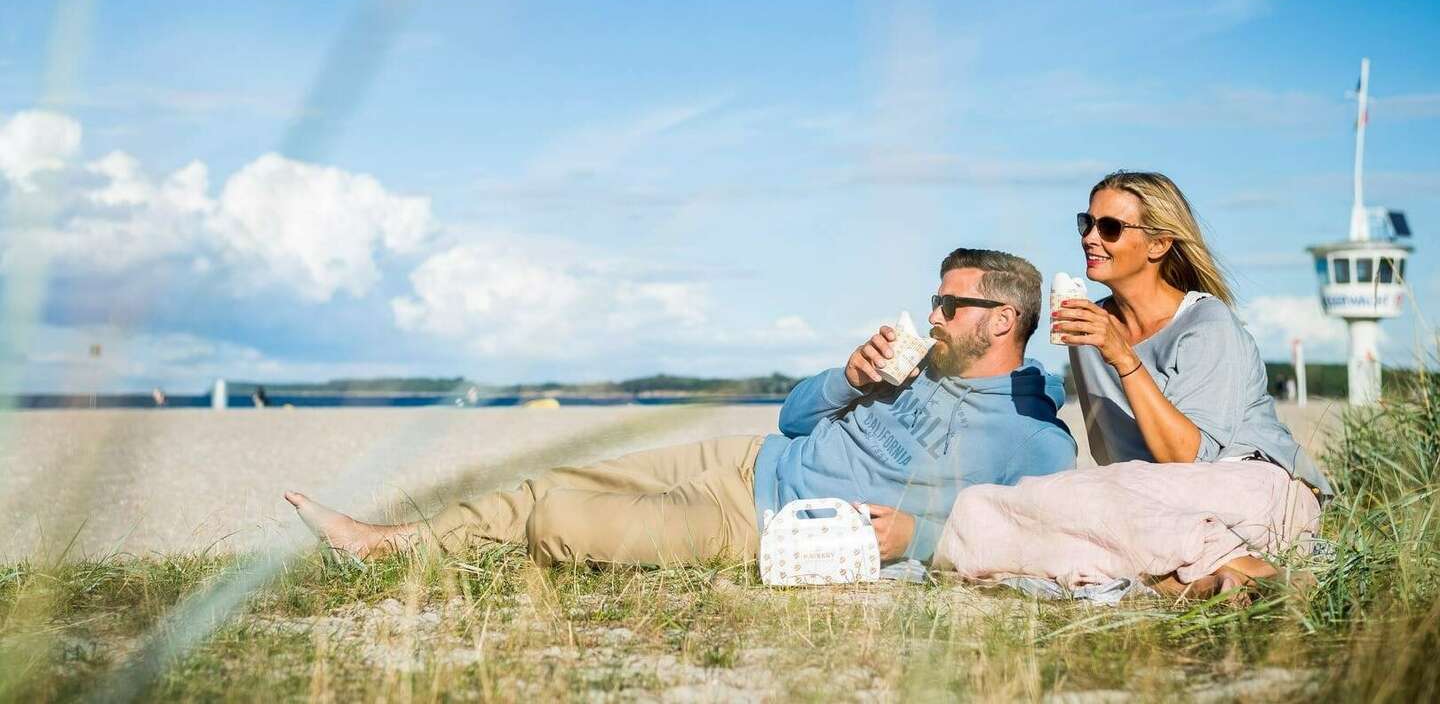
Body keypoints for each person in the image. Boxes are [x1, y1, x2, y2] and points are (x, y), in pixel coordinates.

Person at [286, 248, 1076, 568]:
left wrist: (917, 538)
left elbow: (1036, 539)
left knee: (562, 516)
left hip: (763, 526)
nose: (932, 315)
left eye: (948, 303)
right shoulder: (912, 369)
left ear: (1002, 319)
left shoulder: (1031, 434)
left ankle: (442, 552)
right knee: (548, 481)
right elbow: (792, 419)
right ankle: (387, 544)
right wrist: (849, 378)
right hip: (749, 459)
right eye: (933, 299)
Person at [934, 171, 1329, 599]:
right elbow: (1111, 455)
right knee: (974, 510)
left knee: (1073, 500)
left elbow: (1190, 457)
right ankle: (1195, 580)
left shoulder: (1206, 324)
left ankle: (1241, 570)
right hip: (1153, 504)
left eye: (1110, 228)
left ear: (1158, 244)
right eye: (1087, 223)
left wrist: (1123, 356)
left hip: (1255, 490)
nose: (1090, 238)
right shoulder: (1092, 327)